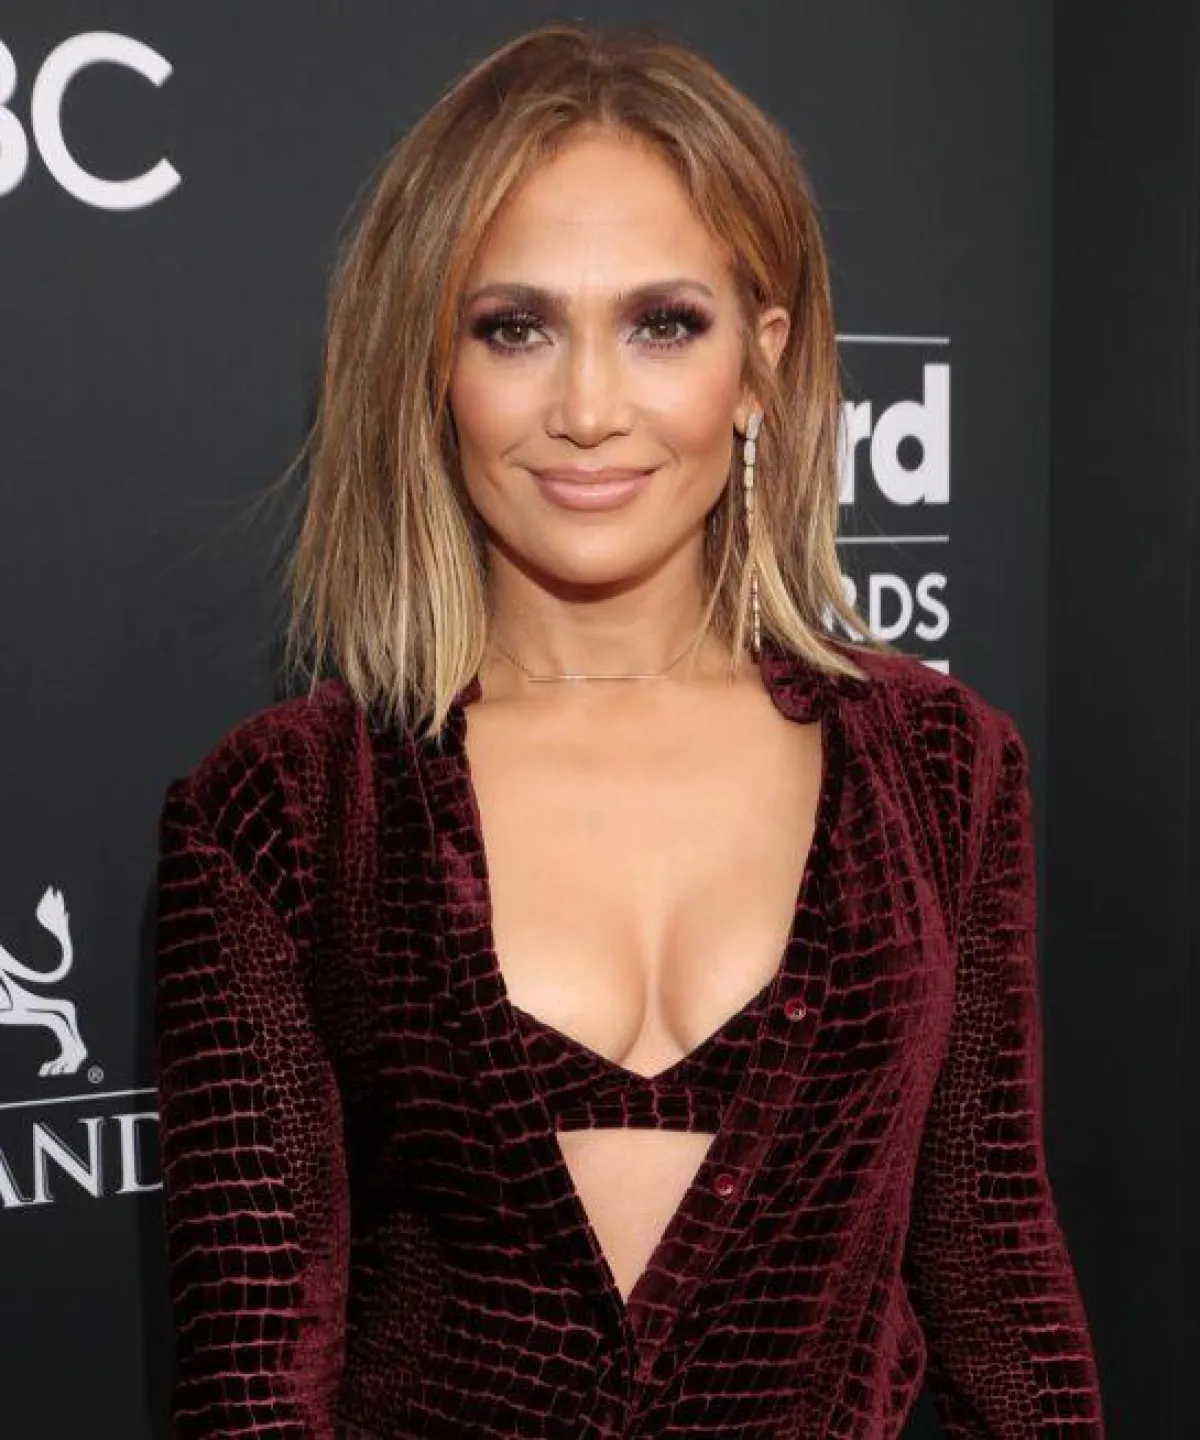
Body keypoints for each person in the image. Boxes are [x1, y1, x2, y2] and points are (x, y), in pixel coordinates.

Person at [152, 21, 1105, 1439]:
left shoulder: (942, 766)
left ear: (761, 364)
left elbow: (1000, 1297)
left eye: (663, 324)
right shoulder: (284, 811)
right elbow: (253, 1392)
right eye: (515, 327)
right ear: (431, 365)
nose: (589, 409)